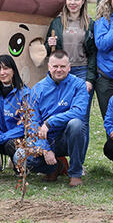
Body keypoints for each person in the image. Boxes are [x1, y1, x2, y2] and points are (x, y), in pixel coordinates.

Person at [16, 51, 90, 186]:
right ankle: (54, 167)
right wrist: (45, 148)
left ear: (69, 67)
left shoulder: (79, 85)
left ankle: (75, 173)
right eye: (55, 66)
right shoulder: (38, 89)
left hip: (67, 138)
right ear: (49, 67)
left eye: (63, 66)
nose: (59, 70)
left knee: (76, 124)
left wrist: (50, 122)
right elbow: (33, 123)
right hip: (46, 138)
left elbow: (79, 112)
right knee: (19, 156)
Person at [45, 0, 97, 121]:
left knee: (82, 118)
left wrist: (90, 79)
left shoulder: (89, 24)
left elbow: (93, 54)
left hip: (82, 72)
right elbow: (47, 50)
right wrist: (49, 44)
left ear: (83, 1)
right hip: (61, 72)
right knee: (61, 113)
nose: (72, 3)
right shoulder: (57, 23)